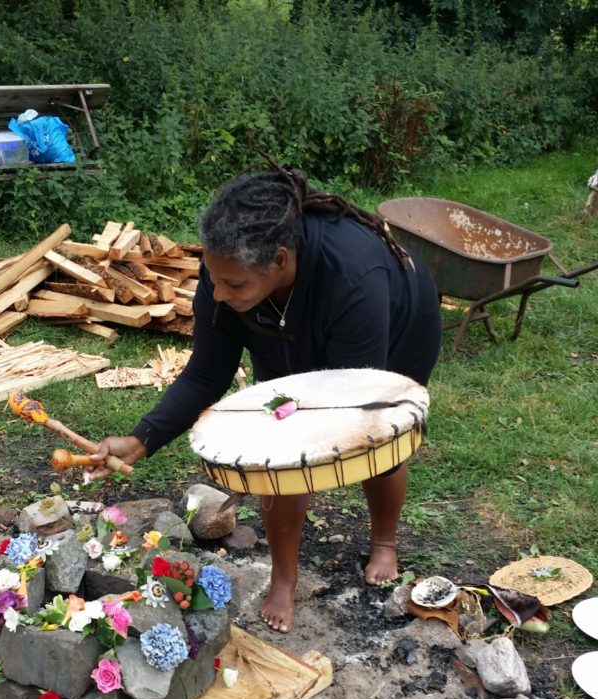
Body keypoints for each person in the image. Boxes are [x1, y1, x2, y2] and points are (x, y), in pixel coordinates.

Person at [89, 161, 443, 633]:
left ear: (279, 260)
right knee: (278, 455)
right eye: (214, 279)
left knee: (379, 444)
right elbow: (205, 375)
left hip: (392, 334)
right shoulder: (229, 271)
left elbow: (353, 402)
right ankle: (283, 578)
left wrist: (293, 446)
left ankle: (384, 542)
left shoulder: (354, 274)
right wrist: (140, 440)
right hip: (282, 324)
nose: (218, 294)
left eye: (233, 284)